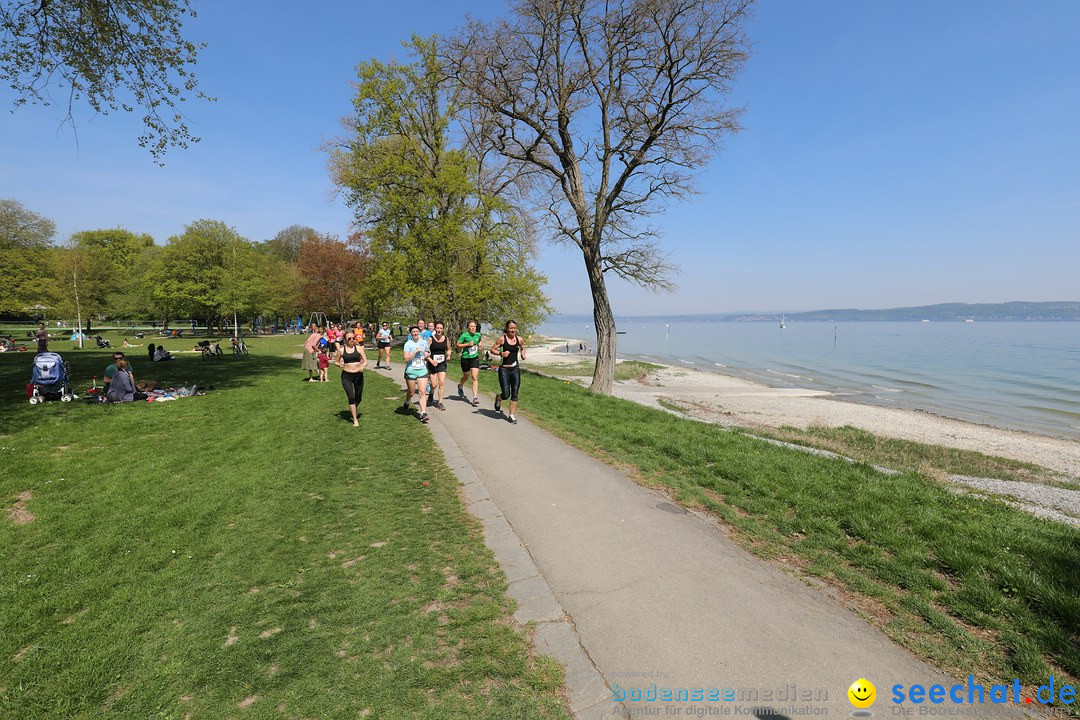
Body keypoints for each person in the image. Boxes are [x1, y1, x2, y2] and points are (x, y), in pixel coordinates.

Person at [490, 320, 526, 424]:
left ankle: (511, 415)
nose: (513, 330)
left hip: (515, 369)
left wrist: (523, 354)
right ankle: (498, 398)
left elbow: (523, 348)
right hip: (504, 370)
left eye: (514, 328)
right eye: (510, 328)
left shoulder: (519, 339)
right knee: (506, 394)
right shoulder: (502, 339)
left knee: (515, 392)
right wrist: (501, 353)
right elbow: (492, 349)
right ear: (506, 328)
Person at [336, 331, 368, 427]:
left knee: (358, 398)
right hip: (347, 376)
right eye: (349, 338)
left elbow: (365, 361)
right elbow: (336, 362)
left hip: (358, 375)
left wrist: (362, 367)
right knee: (351, 397)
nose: (351, 340)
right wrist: (340, 364)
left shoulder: (358, 348)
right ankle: (355, 419)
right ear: (345, 340)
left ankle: (354, 407)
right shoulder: (341, 350)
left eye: (353, 338)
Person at [402, 325, 431, 424]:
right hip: (411, 370)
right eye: (413, 332)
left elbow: (428, 352)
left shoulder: (424, 342)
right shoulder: (408, 344)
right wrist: (415, 351)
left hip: (422, 370)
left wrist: (427, 354)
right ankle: (407, 401)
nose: (415, 333)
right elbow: (406, 359)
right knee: (411, 392)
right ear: (411, 334)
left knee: (422, 392)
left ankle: (423, 413)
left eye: (417, 331)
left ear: (419, 333)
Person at [455, 319, 483, 407]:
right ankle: (460, 386)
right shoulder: (464, 335)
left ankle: (475, 397)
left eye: (474, 326)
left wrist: (480, 345)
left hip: (474, 358)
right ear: (468, 328)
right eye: (471, 326)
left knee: (474, 377)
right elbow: (457, 345)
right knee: (466, 376)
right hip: (465, 358)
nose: (473, 328)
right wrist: (467, 344)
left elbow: (480, 341)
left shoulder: (478, 335)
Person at [426, 321, 451, 411]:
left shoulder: (446, 339)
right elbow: (425, 352)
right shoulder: (430, 339)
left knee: (442, 383)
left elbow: (448, 349)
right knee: (434, 384)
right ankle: (431, 393)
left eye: (441, 328)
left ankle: (440, 403)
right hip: (432, 363)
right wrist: (431, 361)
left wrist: (448, 355)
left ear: (443, 329)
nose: (439, 330)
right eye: (437, 328)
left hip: (442, 363)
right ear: (435, 329)